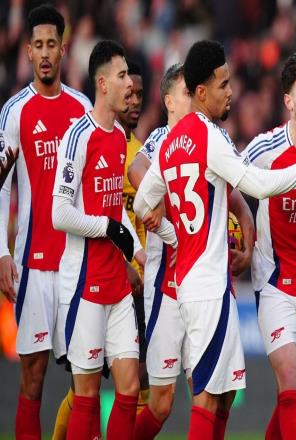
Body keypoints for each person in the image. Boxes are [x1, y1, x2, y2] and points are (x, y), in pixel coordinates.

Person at [133, 40, 296, 440]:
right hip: (208, 286)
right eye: (223, 84)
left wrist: (169, 232)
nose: (230, 92)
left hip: (188, 282)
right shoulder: (211, 137)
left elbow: (141, 203)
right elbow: (257, 184)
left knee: (218, 397)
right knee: (207, 400)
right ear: (201, 91)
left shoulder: (171, 142)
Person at [130, 62, 255, 439]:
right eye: (187, 92)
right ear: (170, 101)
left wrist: (248, 239)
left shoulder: (215, 138)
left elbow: (236, 195)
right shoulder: (159, 141)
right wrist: (167, 200)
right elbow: (138, 172)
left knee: (220, 393)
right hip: (166, 286)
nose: (194, 99)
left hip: (208, 279)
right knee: (162, 402)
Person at [51, 40, 155, 440]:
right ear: (102, 84)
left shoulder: (117, 139)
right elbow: (59, 213)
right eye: (122, 76)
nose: (130, 84)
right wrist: (107, 229)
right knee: (87, 395)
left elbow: (115, 210)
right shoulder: (79, 136)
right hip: (84, 285)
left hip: (117, 285)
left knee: (129, 388)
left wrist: (140, 253)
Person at [0, 5, 92, 439]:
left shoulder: (82, 108)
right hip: (34, 264)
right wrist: (1, 252)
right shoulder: (15, 112)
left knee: (85, 379)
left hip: (77, 263)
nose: (44, 53)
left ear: (63, 48)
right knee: (33, 378)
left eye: (51, 44)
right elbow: (2, 187)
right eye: (37, 45)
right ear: (28, 51)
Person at [242, 51, 296, 440]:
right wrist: (243, 229)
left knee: (294, 395)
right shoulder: (265, 150)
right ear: (288, 101)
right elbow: (227, 182)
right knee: (291, 381)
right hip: (274, 281)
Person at [116, 59, 150, 415]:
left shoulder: (142, 152)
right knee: (85, 383)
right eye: (129, 94)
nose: (135, 102)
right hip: (110, 275)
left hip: (140, 283)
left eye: (140, 95)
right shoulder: (104, 145)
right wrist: (123, 263)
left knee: (142, 383)